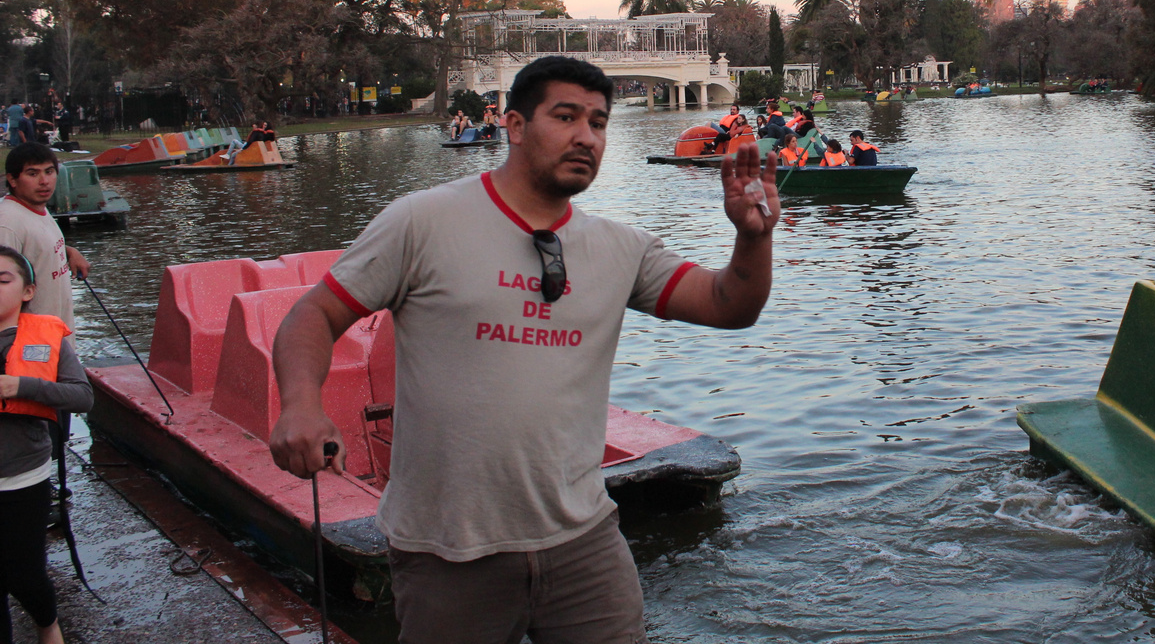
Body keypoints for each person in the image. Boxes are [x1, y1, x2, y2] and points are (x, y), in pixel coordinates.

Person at [269, 56, 782, 643]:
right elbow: (314, 314)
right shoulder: (422, 222)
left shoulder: (621, 248)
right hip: (447, 553)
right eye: (565, 117)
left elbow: (729, 306)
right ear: (514, 125)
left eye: (598, 122)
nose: (586, 136)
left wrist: (751, 237)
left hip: (583, 542)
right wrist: (301, 404)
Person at [0, 244, 89, 644]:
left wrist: (23, 386)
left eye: (3, 280)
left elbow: (82, 397)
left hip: (22, 478)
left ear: (27, 291)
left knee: (25, 573)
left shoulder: (47, 339)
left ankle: (47, 624)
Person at [0, 145, 88, 329]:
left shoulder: (37, 209)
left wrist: (68, 252)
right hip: (30, 347)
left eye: (49, 172)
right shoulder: (7, 224)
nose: (44, 181)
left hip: (55, 339)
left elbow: (34, 251)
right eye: (32, 174)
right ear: (12, 180)